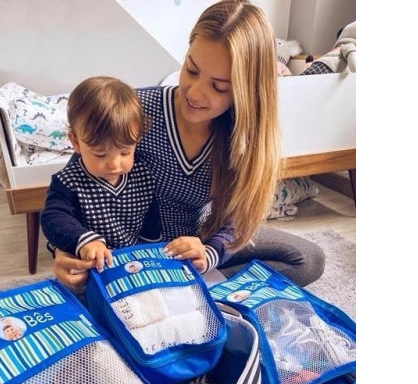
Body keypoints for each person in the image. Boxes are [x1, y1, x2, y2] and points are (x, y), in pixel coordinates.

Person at [50, 0, 325, 290]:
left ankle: (197, 289)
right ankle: (188, 290)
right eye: (191, 70)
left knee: (308, 259)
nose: (195, 93)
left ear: (246, 91)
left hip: (195, 243)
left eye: (219, 86)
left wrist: (210, 253)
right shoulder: (135, 112)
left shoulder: (241, 136)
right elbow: (74, 188)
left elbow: (238, 220)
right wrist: (63, 251)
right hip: (130, 253)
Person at [41, 76, 155, 271]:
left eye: (125, 152)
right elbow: (53, 218)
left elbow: (151, 221)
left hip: (133, 260)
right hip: (92, 263)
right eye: (100, 154)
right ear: (76, 142)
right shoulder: (67, 181)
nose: (114, 165)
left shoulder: (144, 174)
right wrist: (85, 241)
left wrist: (153, 249)